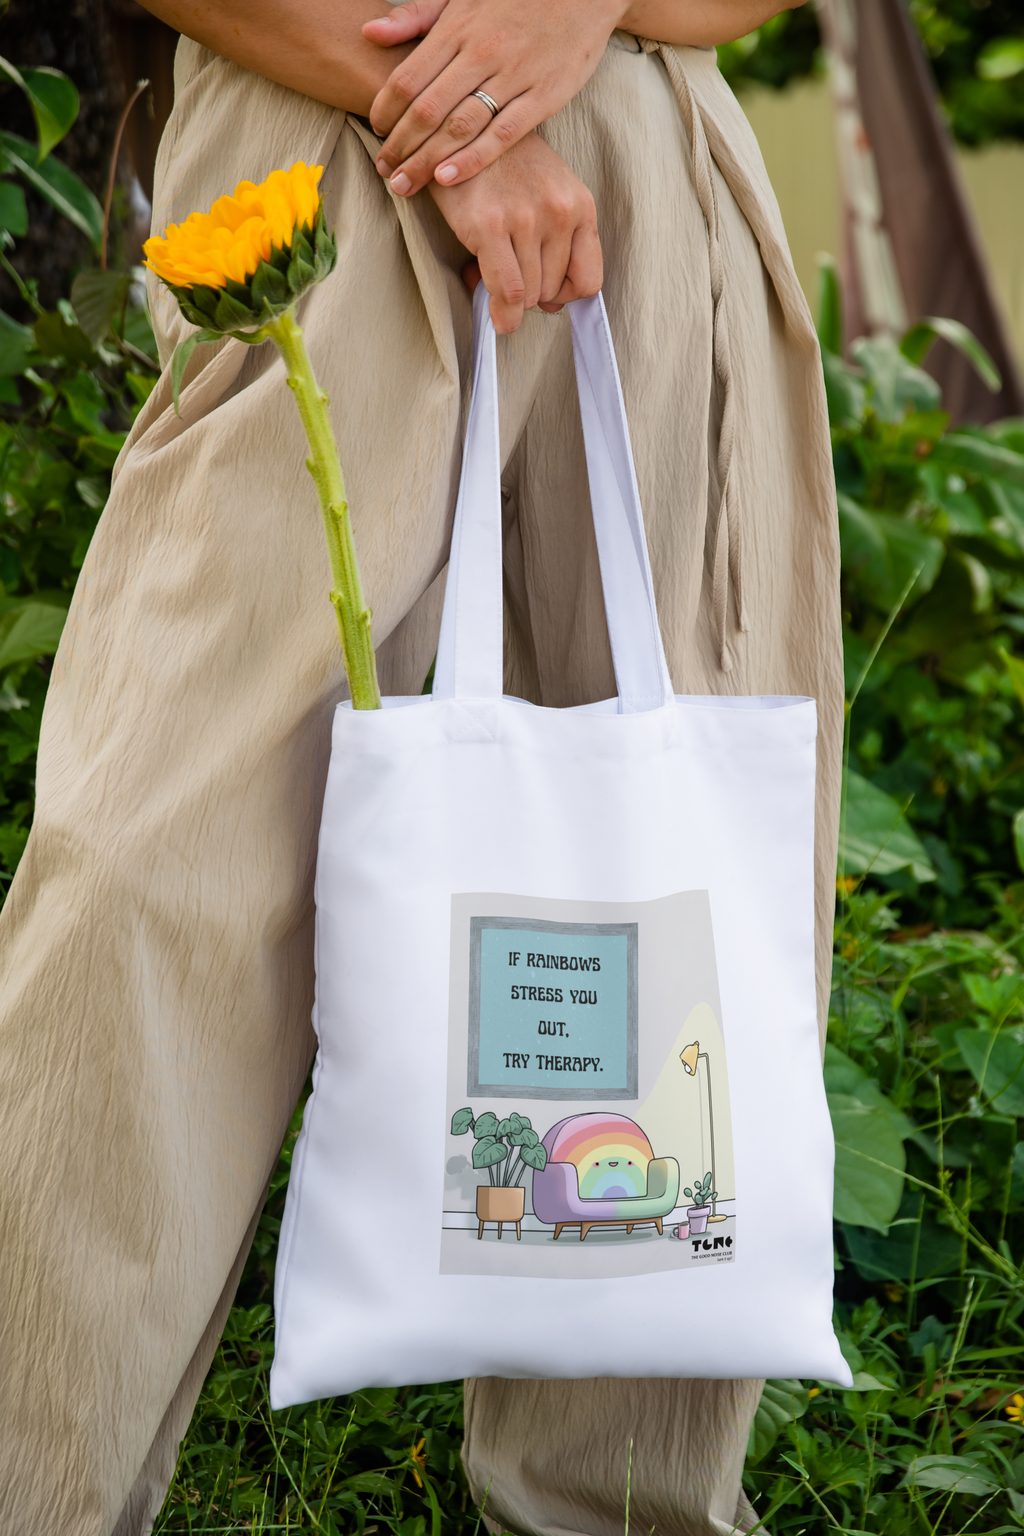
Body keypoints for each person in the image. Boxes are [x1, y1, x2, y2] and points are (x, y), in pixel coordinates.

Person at [0, 0, 843, 1530]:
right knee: (143, 876)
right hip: (313, 163)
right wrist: (463, 127)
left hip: (657, 186)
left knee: (658, 925)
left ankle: (615, 1504)